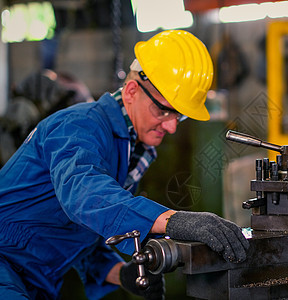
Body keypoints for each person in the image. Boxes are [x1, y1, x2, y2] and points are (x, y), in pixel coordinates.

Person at [0, 30, 249, 299]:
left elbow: (77, 234)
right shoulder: (79, 126)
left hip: (32, 280)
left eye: (180, 116)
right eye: (163, 110)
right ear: (132, 91)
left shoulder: (131, 150)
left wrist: (123, 273)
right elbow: (85, 196)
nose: (172, 126)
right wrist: (174, 220)